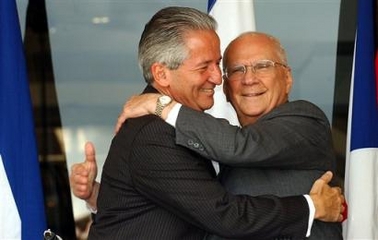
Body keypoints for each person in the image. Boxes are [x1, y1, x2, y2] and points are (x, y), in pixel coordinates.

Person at [71, 7, 344, 240]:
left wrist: (103, 197)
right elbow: (224, 215)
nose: (217, 77)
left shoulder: (305, 119)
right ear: (162, 74)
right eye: (232, 70)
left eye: (263, 65)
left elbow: (232, 157)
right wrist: (312, 206)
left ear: (288, 77)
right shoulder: (156, 133)